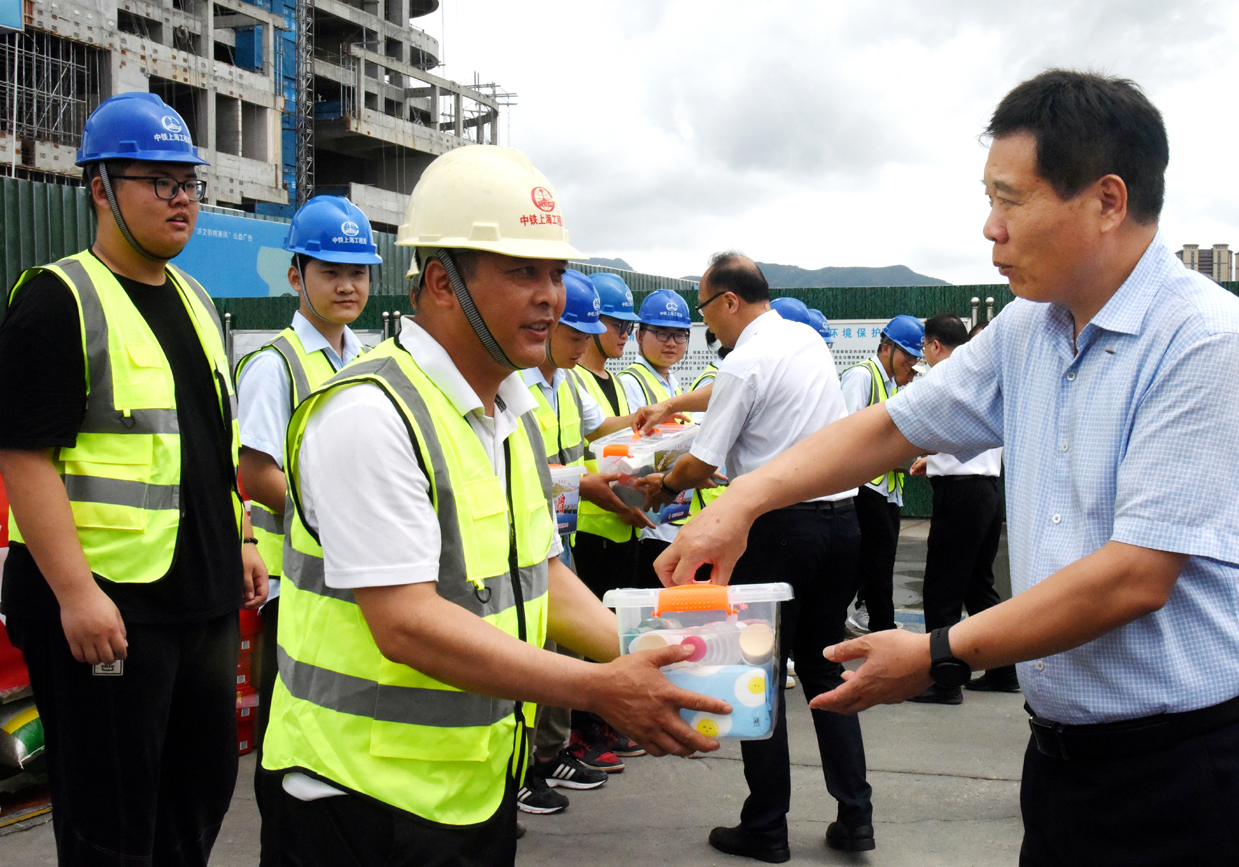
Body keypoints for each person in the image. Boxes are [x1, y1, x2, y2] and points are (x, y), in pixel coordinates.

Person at [657, 70, 1239, 866]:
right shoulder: (1029, 329)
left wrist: (938, 650)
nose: (990, 228)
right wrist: (745, 499)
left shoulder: (1204, 341)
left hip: (1201, 768)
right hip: (1065, 761)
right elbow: (893, 425)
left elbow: (1136, 576)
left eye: (1011, 199)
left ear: (1107, 201)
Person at [259, 145, 728, 867]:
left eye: (556, 273)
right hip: (356, 802)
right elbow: (405, 623)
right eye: (522, 272)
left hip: (470, 789)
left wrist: (650, 656)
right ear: (441, 283)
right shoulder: (370, 412)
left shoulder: (509, 413)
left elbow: (543, 572)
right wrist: (598, 688)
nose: (552, 297)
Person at [0, 92, 268, 866]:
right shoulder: (58, 300)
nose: (182, 199)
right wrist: (76, 593)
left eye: (189, 183)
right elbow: (23, 457)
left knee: (199, 798)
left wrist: (242, 537)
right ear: (100, 188)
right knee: (111, 820)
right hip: (109, 608)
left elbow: (209, 445)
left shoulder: (197, 300)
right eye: (159, 181)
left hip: (201, 599)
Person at [635, 253, 872, 864]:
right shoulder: (804, 340)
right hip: (841, 523)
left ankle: (766, 826)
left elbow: (702, 465)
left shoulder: (743, 360)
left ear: (729, 302)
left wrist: (662, 484)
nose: (705, 325)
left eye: (704, 311)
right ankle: (856, 816)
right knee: (824, 667)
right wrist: (674, 405)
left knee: (759, 671)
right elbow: (733, 391)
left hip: (778, 528)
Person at [235, 194, 381, 864]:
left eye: (358, 271)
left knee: (339, 726)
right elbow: (255, 472)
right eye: (330, 271)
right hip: (293, 583)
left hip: (352, 575)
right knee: (289, 730)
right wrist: (337, 512)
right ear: (296, 276)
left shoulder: (370, 358)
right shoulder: (277, 363)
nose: (348, 285)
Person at [516, 269, 641, 812]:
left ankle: (549, 753)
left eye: (587, 335)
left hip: (557, 533)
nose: (580, 346)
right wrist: (584, 482)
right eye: (574, 335)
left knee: (563, 645)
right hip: (526, 534)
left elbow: (602, 428)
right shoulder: (515, 384)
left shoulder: (566, 383)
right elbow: (520, 466)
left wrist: (650, 423)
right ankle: (522, 768)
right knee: (532, 651)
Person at [905, 313, 1018, 704]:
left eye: (924, 346)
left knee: (942, 587)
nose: (924, 354)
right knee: (976, 584)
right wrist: (935, 461)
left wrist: (929, 456)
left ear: (936, 345)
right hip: (987, 489)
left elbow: (930, 430)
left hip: (960, 494)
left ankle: (944, 680)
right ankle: (1005, 668)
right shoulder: (983, 376)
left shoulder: (945, 376)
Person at [571, 272, 652, 600]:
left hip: (625, 525)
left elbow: (623, 445)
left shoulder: (615, 382)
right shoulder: (571, 380)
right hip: (589, 531)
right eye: (618, 325)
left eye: (629, 326)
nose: (625, 335)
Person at [840, 314, 922, 634]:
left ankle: (835, 619)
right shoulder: (862, 376)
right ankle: (882, 626)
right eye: (907, 356)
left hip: (887, 487)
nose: (911, 364)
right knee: (876, 561)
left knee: (871, 562)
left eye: (915, 358)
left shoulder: (894, 385)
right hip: (864, 487)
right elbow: (845, 434)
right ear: (886, 348)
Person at [619, 288, 693, 586]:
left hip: (675, 517)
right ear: (639, 335)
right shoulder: (631, 382)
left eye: (679, 335)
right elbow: (631, 451)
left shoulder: (673, 384)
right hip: (651, 525)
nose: (671, 342)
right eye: (662, 333)